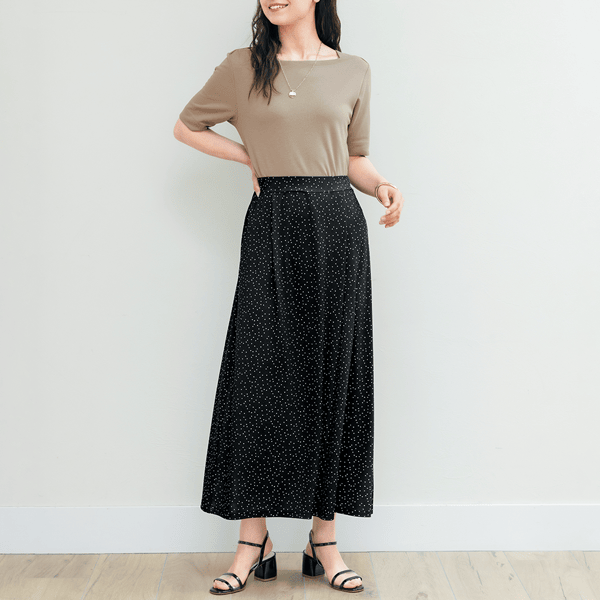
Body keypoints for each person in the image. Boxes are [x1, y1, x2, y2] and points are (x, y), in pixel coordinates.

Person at [174, 0, 403, 595]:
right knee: (259, 378)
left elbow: (353, 158)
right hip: (272, 223)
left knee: (332, 376)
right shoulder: (242, 67)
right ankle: (254, 542)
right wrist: (247, 155)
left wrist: (381, 184)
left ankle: (323, 541)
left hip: (338, 227)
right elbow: (187, 126)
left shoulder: (353, 70)